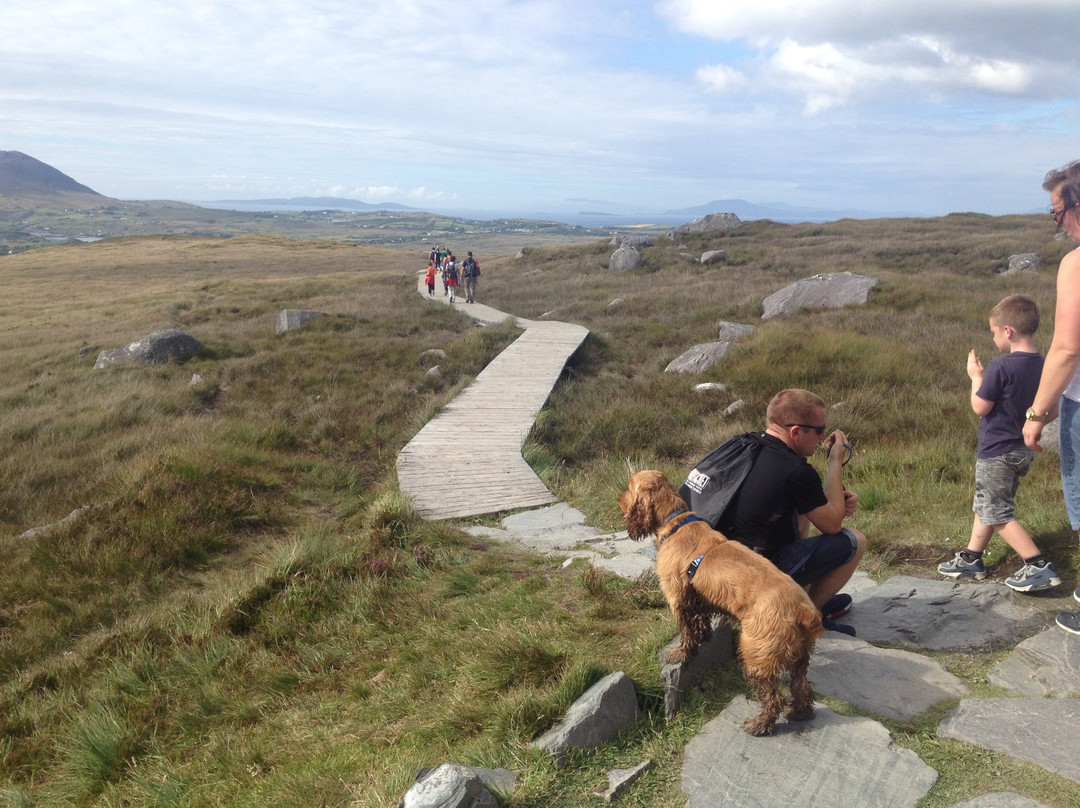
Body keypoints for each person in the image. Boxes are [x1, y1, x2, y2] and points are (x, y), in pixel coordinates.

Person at [713, 388, 866, 635]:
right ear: (795, 431)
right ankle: (805, 620)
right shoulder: (795, 471)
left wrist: (832, 505)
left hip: (714, 570)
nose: (823, 436)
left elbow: (814, 507)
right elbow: (833, 526)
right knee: (855, 541)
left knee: (802, 509)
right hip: (749, 579)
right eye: (819, 430)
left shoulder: (742, 445)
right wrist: (835, 462)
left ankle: (799, 598)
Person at [938, 295, 1060, 591]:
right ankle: (971, 558)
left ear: (1008, 331)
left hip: (996, 452)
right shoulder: (1044, 364)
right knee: (987, 503)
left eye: (993, 332)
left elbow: (980, 407)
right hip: (1021, 450)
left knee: (997, 511)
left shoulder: (1000, 365)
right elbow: (1051, 409)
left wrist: (975, 377)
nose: (993, 338)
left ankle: (1037, 565)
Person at [1022, 159, 1080, 635]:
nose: (1057, 222)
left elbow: (1064, 348)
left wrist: (1038, 413)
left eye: (1057, 211)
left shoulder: (1077, 263)